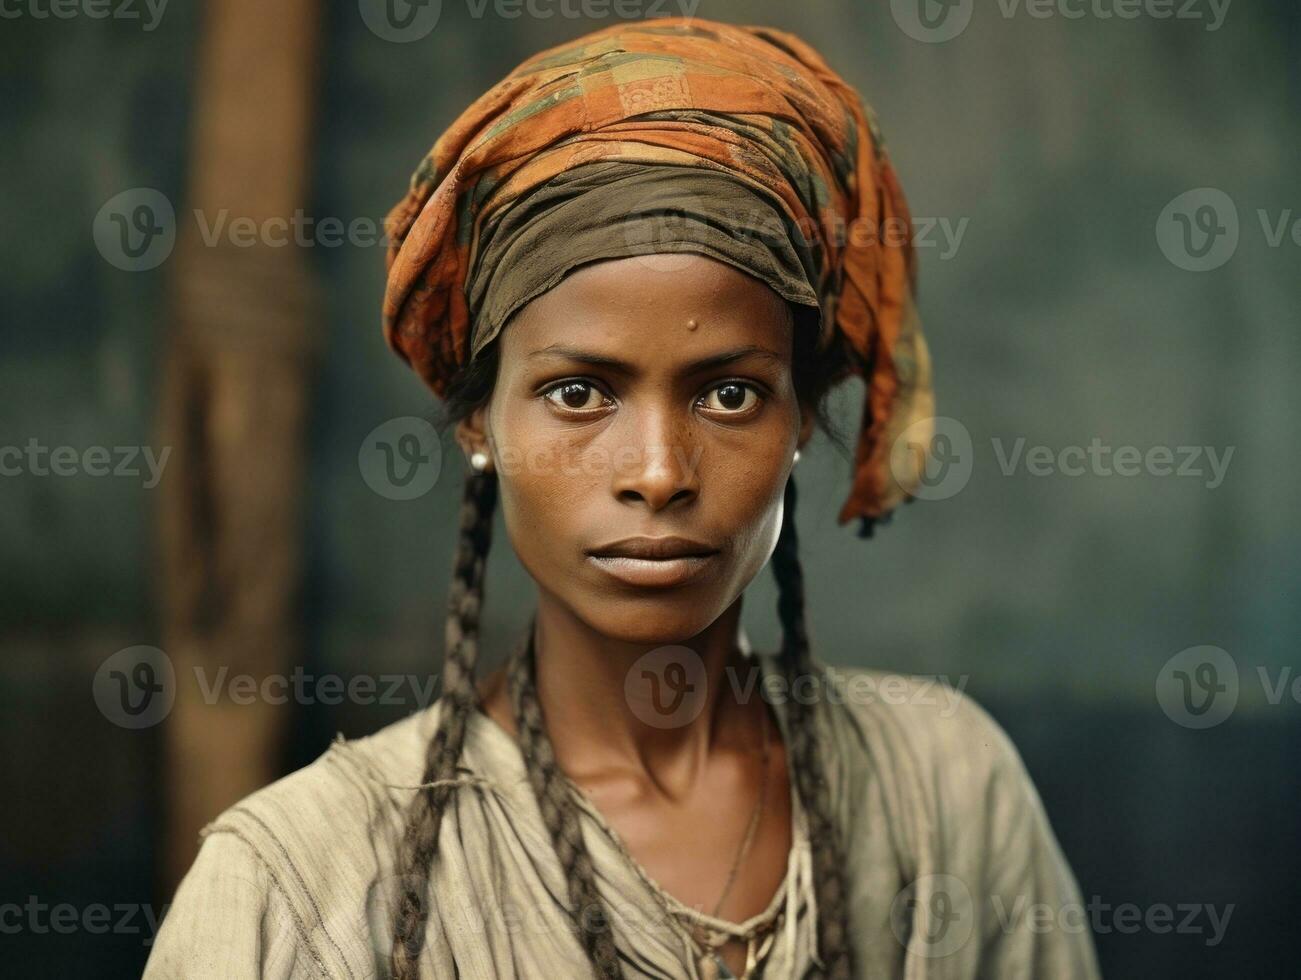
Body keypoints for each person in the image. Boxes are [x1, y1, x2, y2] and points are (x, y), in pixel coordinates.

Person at [145, 16, 1100, 980]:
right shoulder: (295, 890)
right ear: (479, 421)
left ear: (803, 417)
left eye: (729, 393)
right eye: (578, 393)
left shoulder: (947, 800)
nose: (657, 470)